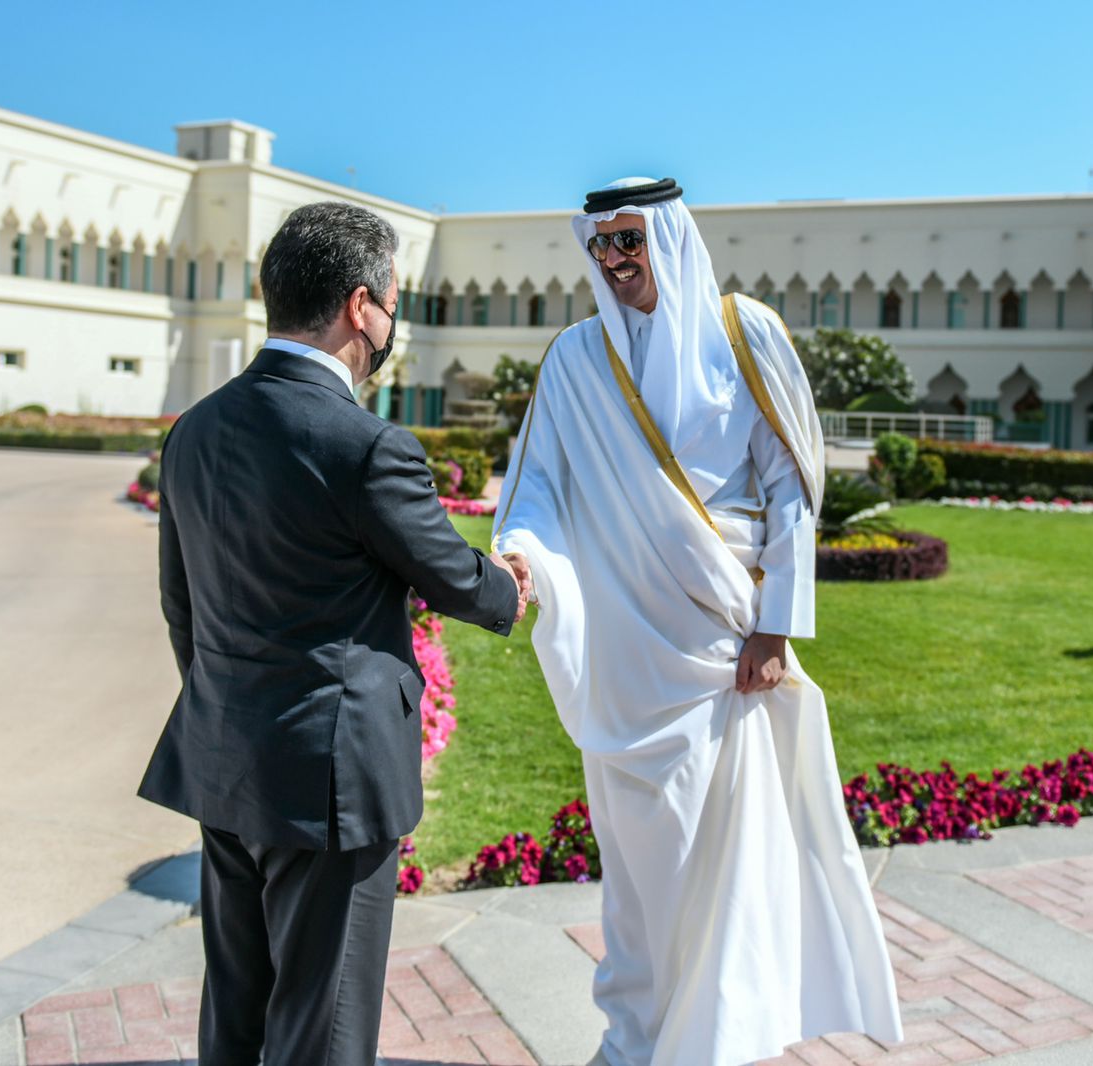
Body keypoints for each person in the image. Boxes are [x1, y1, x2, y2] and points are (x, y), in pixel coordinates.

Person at [495, 177, 902, 1065]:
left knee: (715, 864)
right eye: (602, 246)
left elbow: (795, 485)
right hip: (621, 655)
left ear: (670, 239)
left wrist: (778, 625)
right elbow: (537, 485)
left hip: (720, 651)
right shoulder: (574, 359)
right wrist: (523, 553)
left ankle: (708, 1043)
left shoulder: (742, 333)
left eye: (630, 241)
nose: (615, 260)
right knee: (637, 880)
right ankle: (634, 1039)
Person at [137, 201, 526, 1065]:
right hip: (329, 781)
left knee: (237, 1012)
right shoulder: (365, 444)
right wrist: (510, 586)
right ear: (362, 306)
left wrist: (229, 703)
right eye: (393, 303)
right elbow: (454, 577)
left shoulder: (193, 430)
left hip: (224, 757)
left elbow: (181, 604)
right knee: (326, 1027)